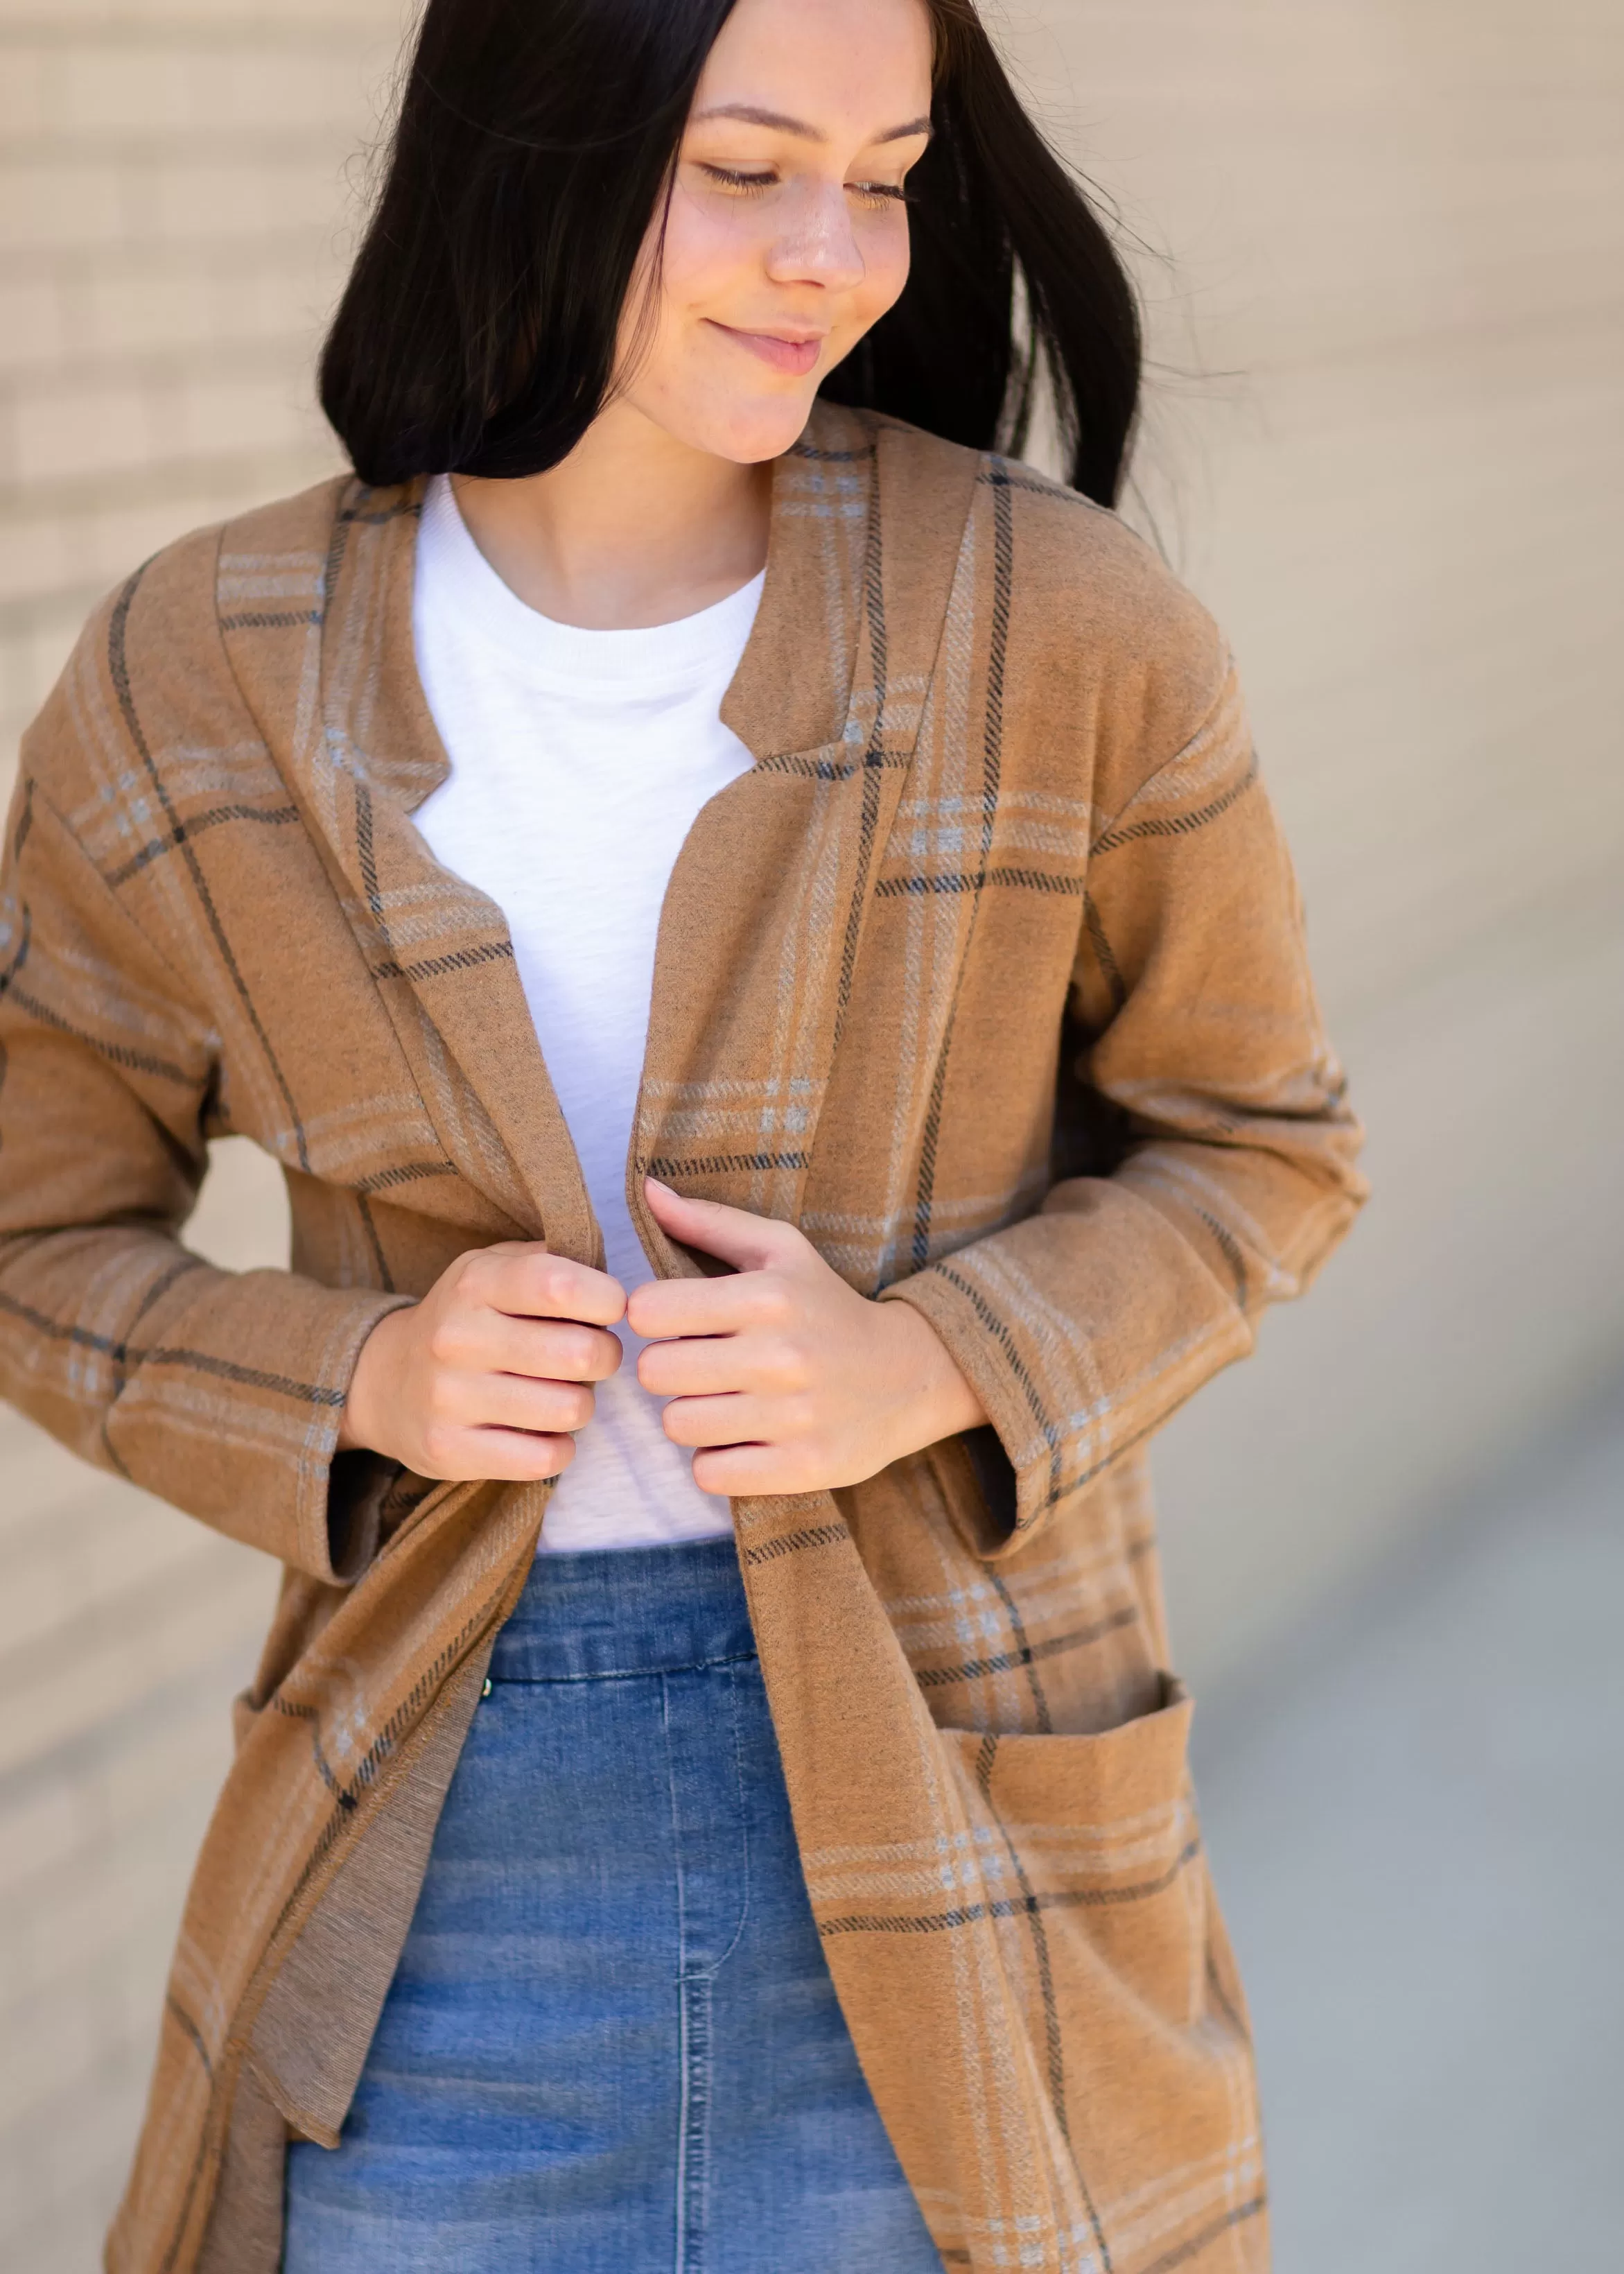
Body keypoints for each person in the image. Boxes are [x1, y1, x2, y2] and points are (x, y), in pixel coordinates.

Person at [0, 0, 1366, 2266]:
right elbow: (31, 1227)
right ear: (539, 143)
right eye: (745, 167)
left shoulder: (1065, 630)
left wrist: (933, 1361)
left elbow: (1264, 1139)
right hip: (437, 1862)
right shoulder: (198, 669)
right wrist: (352, 1379)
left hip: (959, 1805)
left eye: (886, 172)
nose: (830, 251)